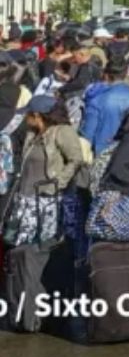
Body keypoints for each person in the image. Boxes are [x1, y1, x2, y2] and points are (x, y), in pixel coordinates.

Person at [7, 96, 82, 247]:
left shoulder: (62, 132)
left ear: (37, 115)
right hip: (25, 199)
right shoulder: (32, 134)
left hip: (46, 201)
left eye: (27, 114)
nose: (24, 118)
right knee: (17, 244)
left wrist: (57, 183)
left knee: (39, 246)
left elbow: (76, 159)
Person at [80, 59, 129, 155]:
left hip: (102, 150)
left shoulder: (97, 99)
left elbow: (88, 133)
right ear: (125, 74)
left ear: (106, 74)